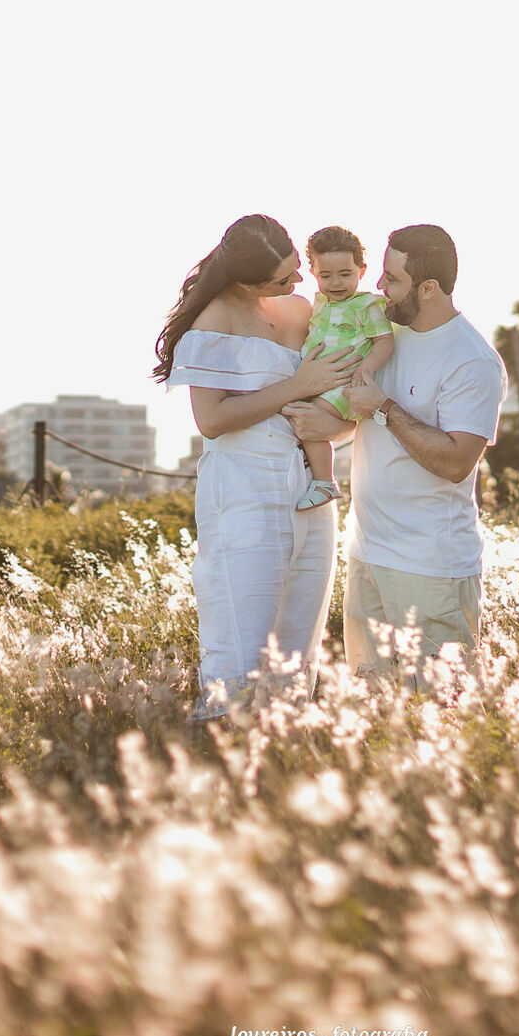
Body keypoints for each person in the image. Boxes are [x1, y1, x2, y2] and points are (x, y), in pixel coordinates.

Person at [152, 214, 357, 719]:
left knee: (296, 651)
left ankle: (281, 764)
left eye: (294, 268)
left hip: (312, 491)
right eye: (283, 278)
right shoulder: (216, 317)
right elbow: (213, 420)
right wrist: (295, 385)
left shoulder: (304, 310)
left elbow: (337, 397)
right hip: (244, 488)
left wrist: (332, 425)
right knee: (240, 648)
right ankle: (222, 755)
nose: (298, 282)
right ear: (245, 279)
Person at [283, 224, 507, 683]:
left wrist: (383, 407)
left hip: (430, 570)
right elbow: (357, 416)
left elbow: (455, 462)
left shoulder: (472, 360)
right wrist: (328, 423)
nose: (379, 287)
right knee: (373, 717)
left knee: (439, 716)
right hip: (367, 556)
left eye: (392, 279)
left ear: (428, 288)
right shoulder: (386, 336)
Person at [292, 226, 395, 512]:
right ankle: (312, 474)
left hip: (344, 384)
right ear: (313, 272)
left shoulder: (366, 305)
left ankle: (324, 481)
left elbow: (384, 341)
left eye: (345, 274)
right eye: (326, 275)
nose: (336, 282)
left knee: (310, 420)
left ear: (361, 271)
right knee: (296, 413)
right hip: (320, 382)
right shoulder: (320, 304)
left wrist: (367, 369)